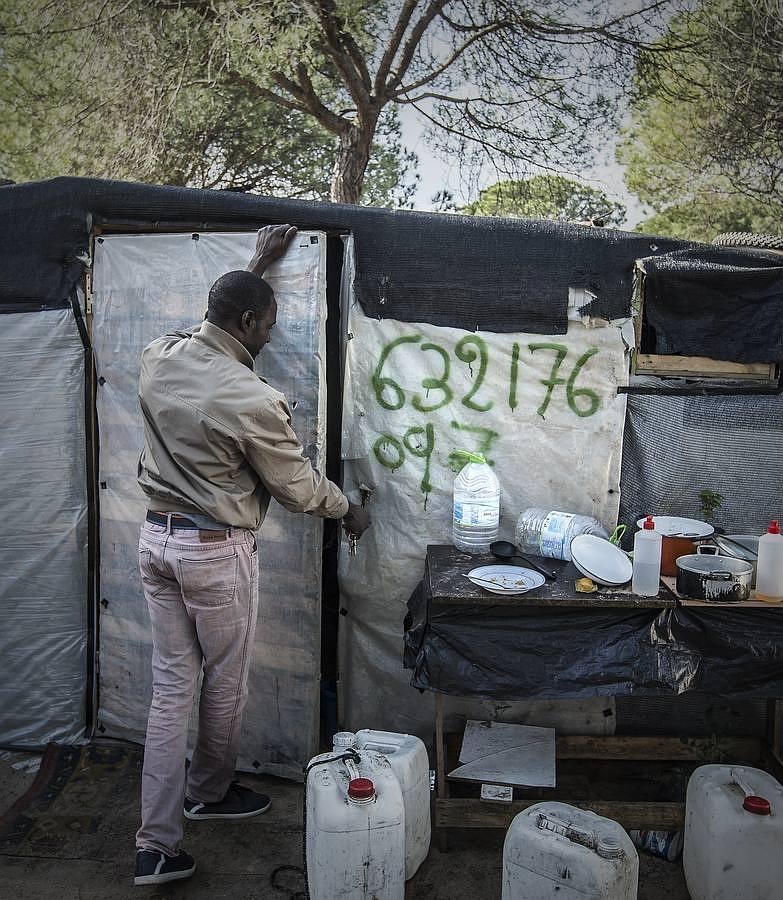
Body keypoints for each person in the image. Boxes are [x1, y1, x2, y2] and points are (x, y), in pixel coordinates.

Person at [133, 225, 370, 886]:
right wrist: (348, 507)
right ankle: (208, 793)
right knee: (226, 681)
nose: (271, 333)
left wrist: (256, 266)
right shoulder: (253, 399)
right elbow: (295, 488)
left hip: (155, 542)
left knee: (169, 690)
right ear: (246, 321)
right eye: (267, 322)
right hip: (213, 553)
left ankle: (154, 844)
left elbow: (206, 327)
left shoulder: (158, 354)